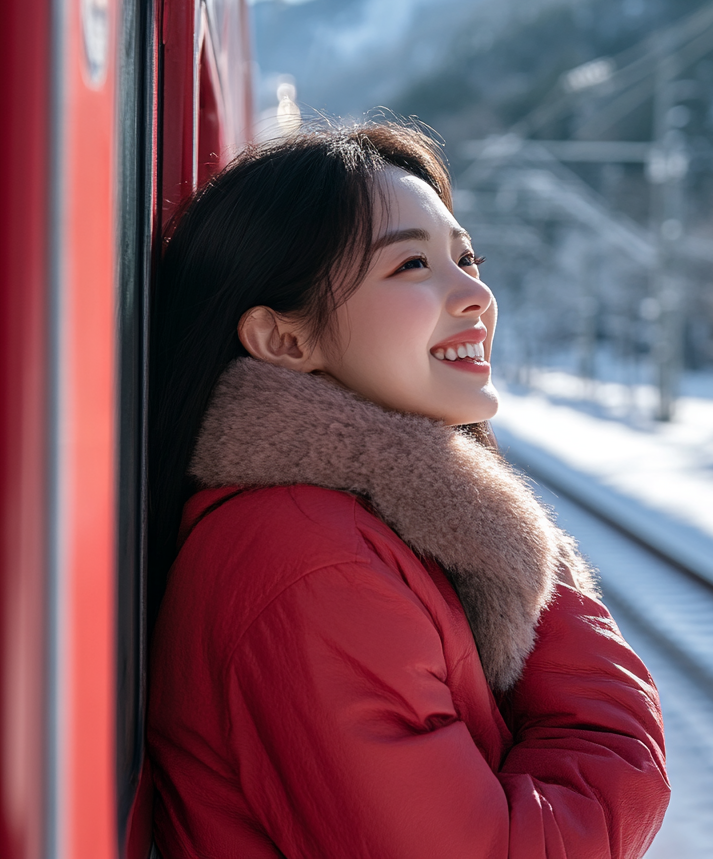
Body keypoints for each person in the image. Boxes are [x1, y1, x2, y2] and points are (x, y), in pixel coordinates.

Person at [147, 123, 670, 858]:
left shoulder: (347, 527)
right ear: (285, 340)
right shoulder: (313, 566)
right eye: (413, 265)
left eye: (467, 258)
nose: (476, 295)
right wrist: (531, 566)